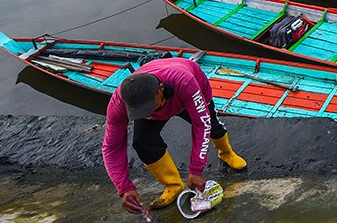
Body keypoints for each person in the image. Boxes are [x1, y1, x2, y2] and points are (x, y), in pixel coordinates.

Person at [102, 57, 247, 215]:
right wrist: (124, 188)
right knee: (142, 142)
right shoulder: (118, 103)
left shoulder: (184, 82)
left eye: (149, 108)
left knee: (212, 126)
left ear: (161, 89)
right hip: (163, 98)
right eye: (141, 112)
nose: (147, 113)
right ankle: (173, 185)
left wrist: (196, 169)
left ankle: (226, 153)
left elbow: (201, 124)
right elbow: (112, 147)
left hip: (188, 93)